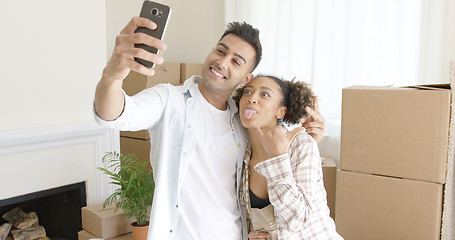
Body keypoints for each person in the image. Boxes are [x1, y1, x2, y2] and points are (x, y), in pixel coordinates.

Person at [94, 16, 325, 240]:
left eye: (236, 61)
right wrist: (113, 73)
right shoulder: (169, 100)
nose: (222, 63)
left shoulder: (243, 122)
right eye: (221, 51)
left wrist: (310, 135)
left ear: (246, 78)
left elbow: (272, 142)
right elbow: (114, 114)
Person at [233, 75, 342, 239]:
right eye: (247, 92)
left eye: (265, 94)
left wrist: (278, 159)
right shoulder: (244, 155)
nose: (251, 99)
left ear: (281, 111)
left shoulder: (301, 144)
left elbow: (298, 220)